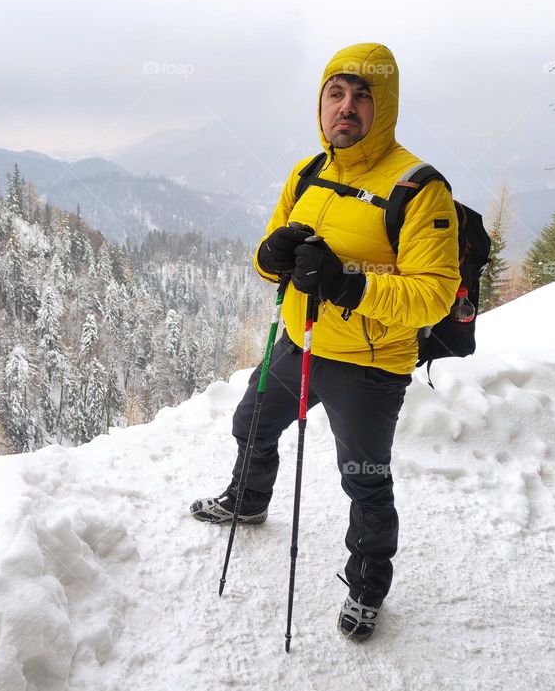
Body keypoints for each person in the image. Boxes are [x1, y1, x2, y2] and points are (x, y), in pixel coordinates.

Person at [189, 42, 461, 641]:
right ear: (320, 103)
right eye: (335, 94)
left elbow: (435, 295)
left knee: (363, 476)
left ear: (383, 106)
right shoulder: (308, 172)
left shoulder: (419, 188)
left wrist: (348, 283)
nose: (346, 107)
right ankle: (249, 498)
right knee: (251, 422)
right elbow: (272, 259)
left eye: (362, 96)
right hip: (297, 342)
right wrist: (270, 258)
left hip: (368, 365)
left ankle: (366, 586)